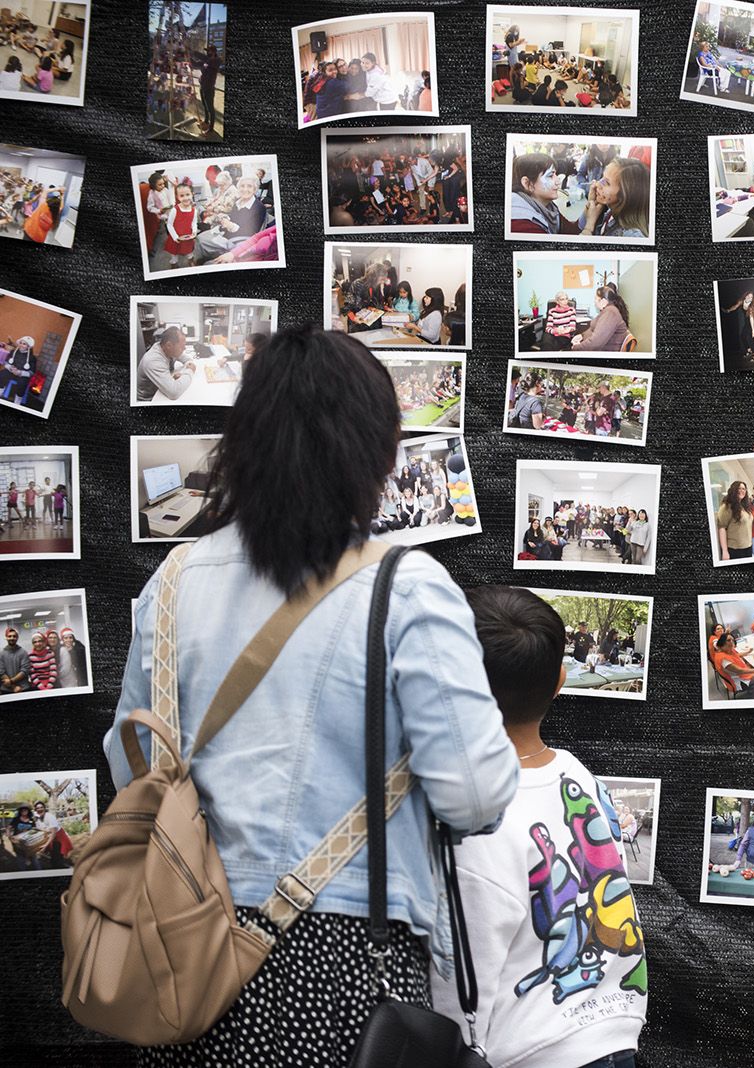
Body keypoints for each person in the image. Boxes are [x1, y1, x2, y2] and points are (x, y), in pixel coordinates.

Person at [104, 326, 520, 1065]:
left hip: (176, 949)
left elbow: (131, 767)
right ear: (378, 452)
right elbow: (476, 794)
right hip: (339, 958)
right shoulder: (407, 588)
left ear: (243, 441)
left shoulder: (170, 581)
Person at [434, 586, 646, 1065]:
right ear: (560, 681)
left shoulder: (475, 818)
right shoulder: (575, 772)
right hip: (610, 1035)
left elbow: (463, 975)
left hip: (532, 1052)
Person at [137, 326, 195, 403]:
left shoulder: (169, 349)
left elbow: (188, 360)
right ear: (169, 345)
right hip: (149, 400)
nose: (184, 349)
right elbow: (174, 393)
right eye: (182, 347)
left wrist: (183, 372)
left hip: (162, 389)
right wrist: (189, 371)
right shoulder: (153, 361)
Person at [571, 285, 630, 351]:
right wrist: (581, 336)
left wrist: (576, 348)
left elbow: (595, 344)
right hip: (599, 353)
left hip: (602, 356)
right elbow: (593, 330)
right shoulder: (608, 311)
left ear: (603, 301)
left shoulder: (610, 313)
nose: (594, 302)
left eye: (596, 298)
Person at [717, 480, 754, 561]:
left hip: (748, 548)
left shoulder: (744, 507)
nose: (742, 491)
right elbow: (722, 528)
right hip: (735, 550)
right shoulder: (727, 507)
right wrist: (724, 551)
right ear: (734, 490)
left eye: (744, 489)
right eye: (739, 488)